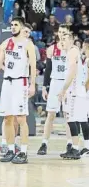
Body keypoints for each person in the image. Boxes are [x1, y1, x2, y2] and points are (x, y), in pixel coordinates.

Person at [0, 17, 36, 164]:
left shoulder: (28, 44)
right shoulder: (7, 43)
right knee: (7, 118)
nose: (13, 27)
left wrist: (33, 84)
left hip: (21, 82)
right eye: (12, 25)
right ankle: (10, 149)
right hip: (7, 82)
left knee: (21, 118)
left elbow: (33, 66)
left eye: (15, 25)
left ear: (21, 27)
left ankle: (24, 152)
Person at [37, 25, 73, 156]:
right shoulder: (52, 49)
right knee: (50, 114)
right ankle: (44, 143)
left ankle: (70, 144)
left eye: (65, 32)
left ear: (68, 34)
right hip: (55, 82)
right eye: (61, 32)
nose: (62, 34)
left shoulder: (72, 49)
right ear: (57, 33)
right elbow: (48, 70)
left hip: (68, 84)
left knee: (68, 115)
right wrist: (45, 87)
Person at [58, 33, 89, 159]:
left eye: (64, 39)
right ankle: (84, 147)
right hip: (80, 91)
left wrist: (63, 90)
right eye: (60, 39)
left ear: (71, 40)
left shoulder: (71, 52)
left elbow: (72, 71)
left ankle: (75, 149)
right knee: (81, 120)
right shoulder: (75, 51)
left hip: (74, 91)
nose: (62, 41)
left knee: (71, 119)